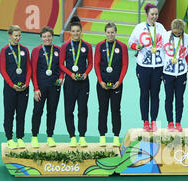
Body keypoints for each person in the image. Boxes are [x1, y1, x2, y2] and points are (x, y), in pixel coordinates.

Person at [129, 3, 166, 132]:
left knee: (155, 94)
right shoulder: (139, 28)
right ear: (147, 14)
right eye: (152, 14)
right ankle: (145, 121)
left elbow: (167, 43)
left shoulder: (161, 27)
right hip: (143, 66)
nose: (154, 16)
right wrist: (136, 47)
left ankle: (154, 121)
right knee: (144, 94)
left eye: (156, 14)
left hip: (158, 66)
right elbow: (131, 42)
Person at [59, 15, 93, 147]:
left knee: (83, 109)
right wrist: (70, 74)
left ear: (81, 32)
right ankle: (72, 136)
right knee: (69, 110)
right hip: (70, 82)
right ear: (70, 32)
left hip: (83, 82)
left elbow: (90, 63)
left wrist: (86, 73)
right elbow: (61, 64)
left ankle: (82, 136)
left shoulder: (87, 46)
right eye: (73, 31)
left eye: (78, 31)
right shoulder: (65, 46)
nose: (75, 33)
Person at [94, 22, 128, 147]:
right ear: (105, 33)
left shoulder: (122, 46)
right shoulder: (99, 46)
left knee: (116, 110)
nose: (110, 35)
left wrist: (120, 81)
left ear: (115, 33)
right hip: (102, 84)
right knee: (102, 109)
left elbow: (125, 65)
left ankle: (116, 136)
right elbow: (96, 64)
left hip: (116, 84)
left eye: (112, 32)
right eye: (108, 32)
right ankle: (102, 136)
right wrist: (100, 80)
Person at [30, 26, 64, 148]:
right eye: (44, 36)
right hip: (41, 87)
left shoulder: (59, 50)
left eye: (49, 36)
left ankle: (50, 136)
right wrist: (35, 88)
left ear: (52, 37)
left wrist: (61, 77)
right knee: (37, 111)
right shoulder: (36, 50)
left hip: (54, 87)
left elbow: (61, 67)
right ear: (41, 38)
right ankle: (34, 137)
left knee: (52, 112)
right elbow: (33, 71)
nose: (47, 38)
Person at [0, 25, 31, 149]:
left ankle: (20, 137)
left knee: (21, 113)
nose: (18, 38)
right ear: (10, 35)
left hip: (23, 88)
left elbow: (29, 68)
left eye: (19, 35)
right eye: (15, 35)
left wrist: (27, 84)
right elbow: (3, 70)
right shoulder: (5, 50)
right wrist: (12, 85)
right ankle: (9, 138)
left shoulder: (25, 50)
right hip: (10, 88)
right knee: (9, 113)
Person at [162, 19, 188, 132]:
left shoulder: (187, 38)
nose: (177, 34)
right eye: (175, 32)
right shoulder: (165, 36)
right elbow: (160, 50)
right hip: (168, 72)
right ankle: (170, 122)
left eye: (179, 32)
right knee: (168, 98)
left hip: (181, 72)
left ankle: (178, 122)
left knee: (179, 98)